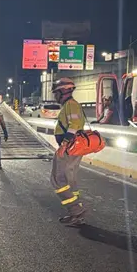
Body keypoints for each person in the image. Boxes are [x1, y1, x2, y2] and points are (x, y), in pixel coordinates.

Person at [50, 77, 88, 226]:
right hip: (72, 147)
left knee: (58, 180)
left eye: (56, 93)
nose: (55, 96)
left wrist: (65, 143)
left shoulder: (71, 105)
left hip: (69, 147)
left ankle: (76, 210)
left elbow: (74, 124)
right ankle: (77, 214)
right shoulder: (69, 105)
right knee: (69, 180)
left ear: (63, 92)